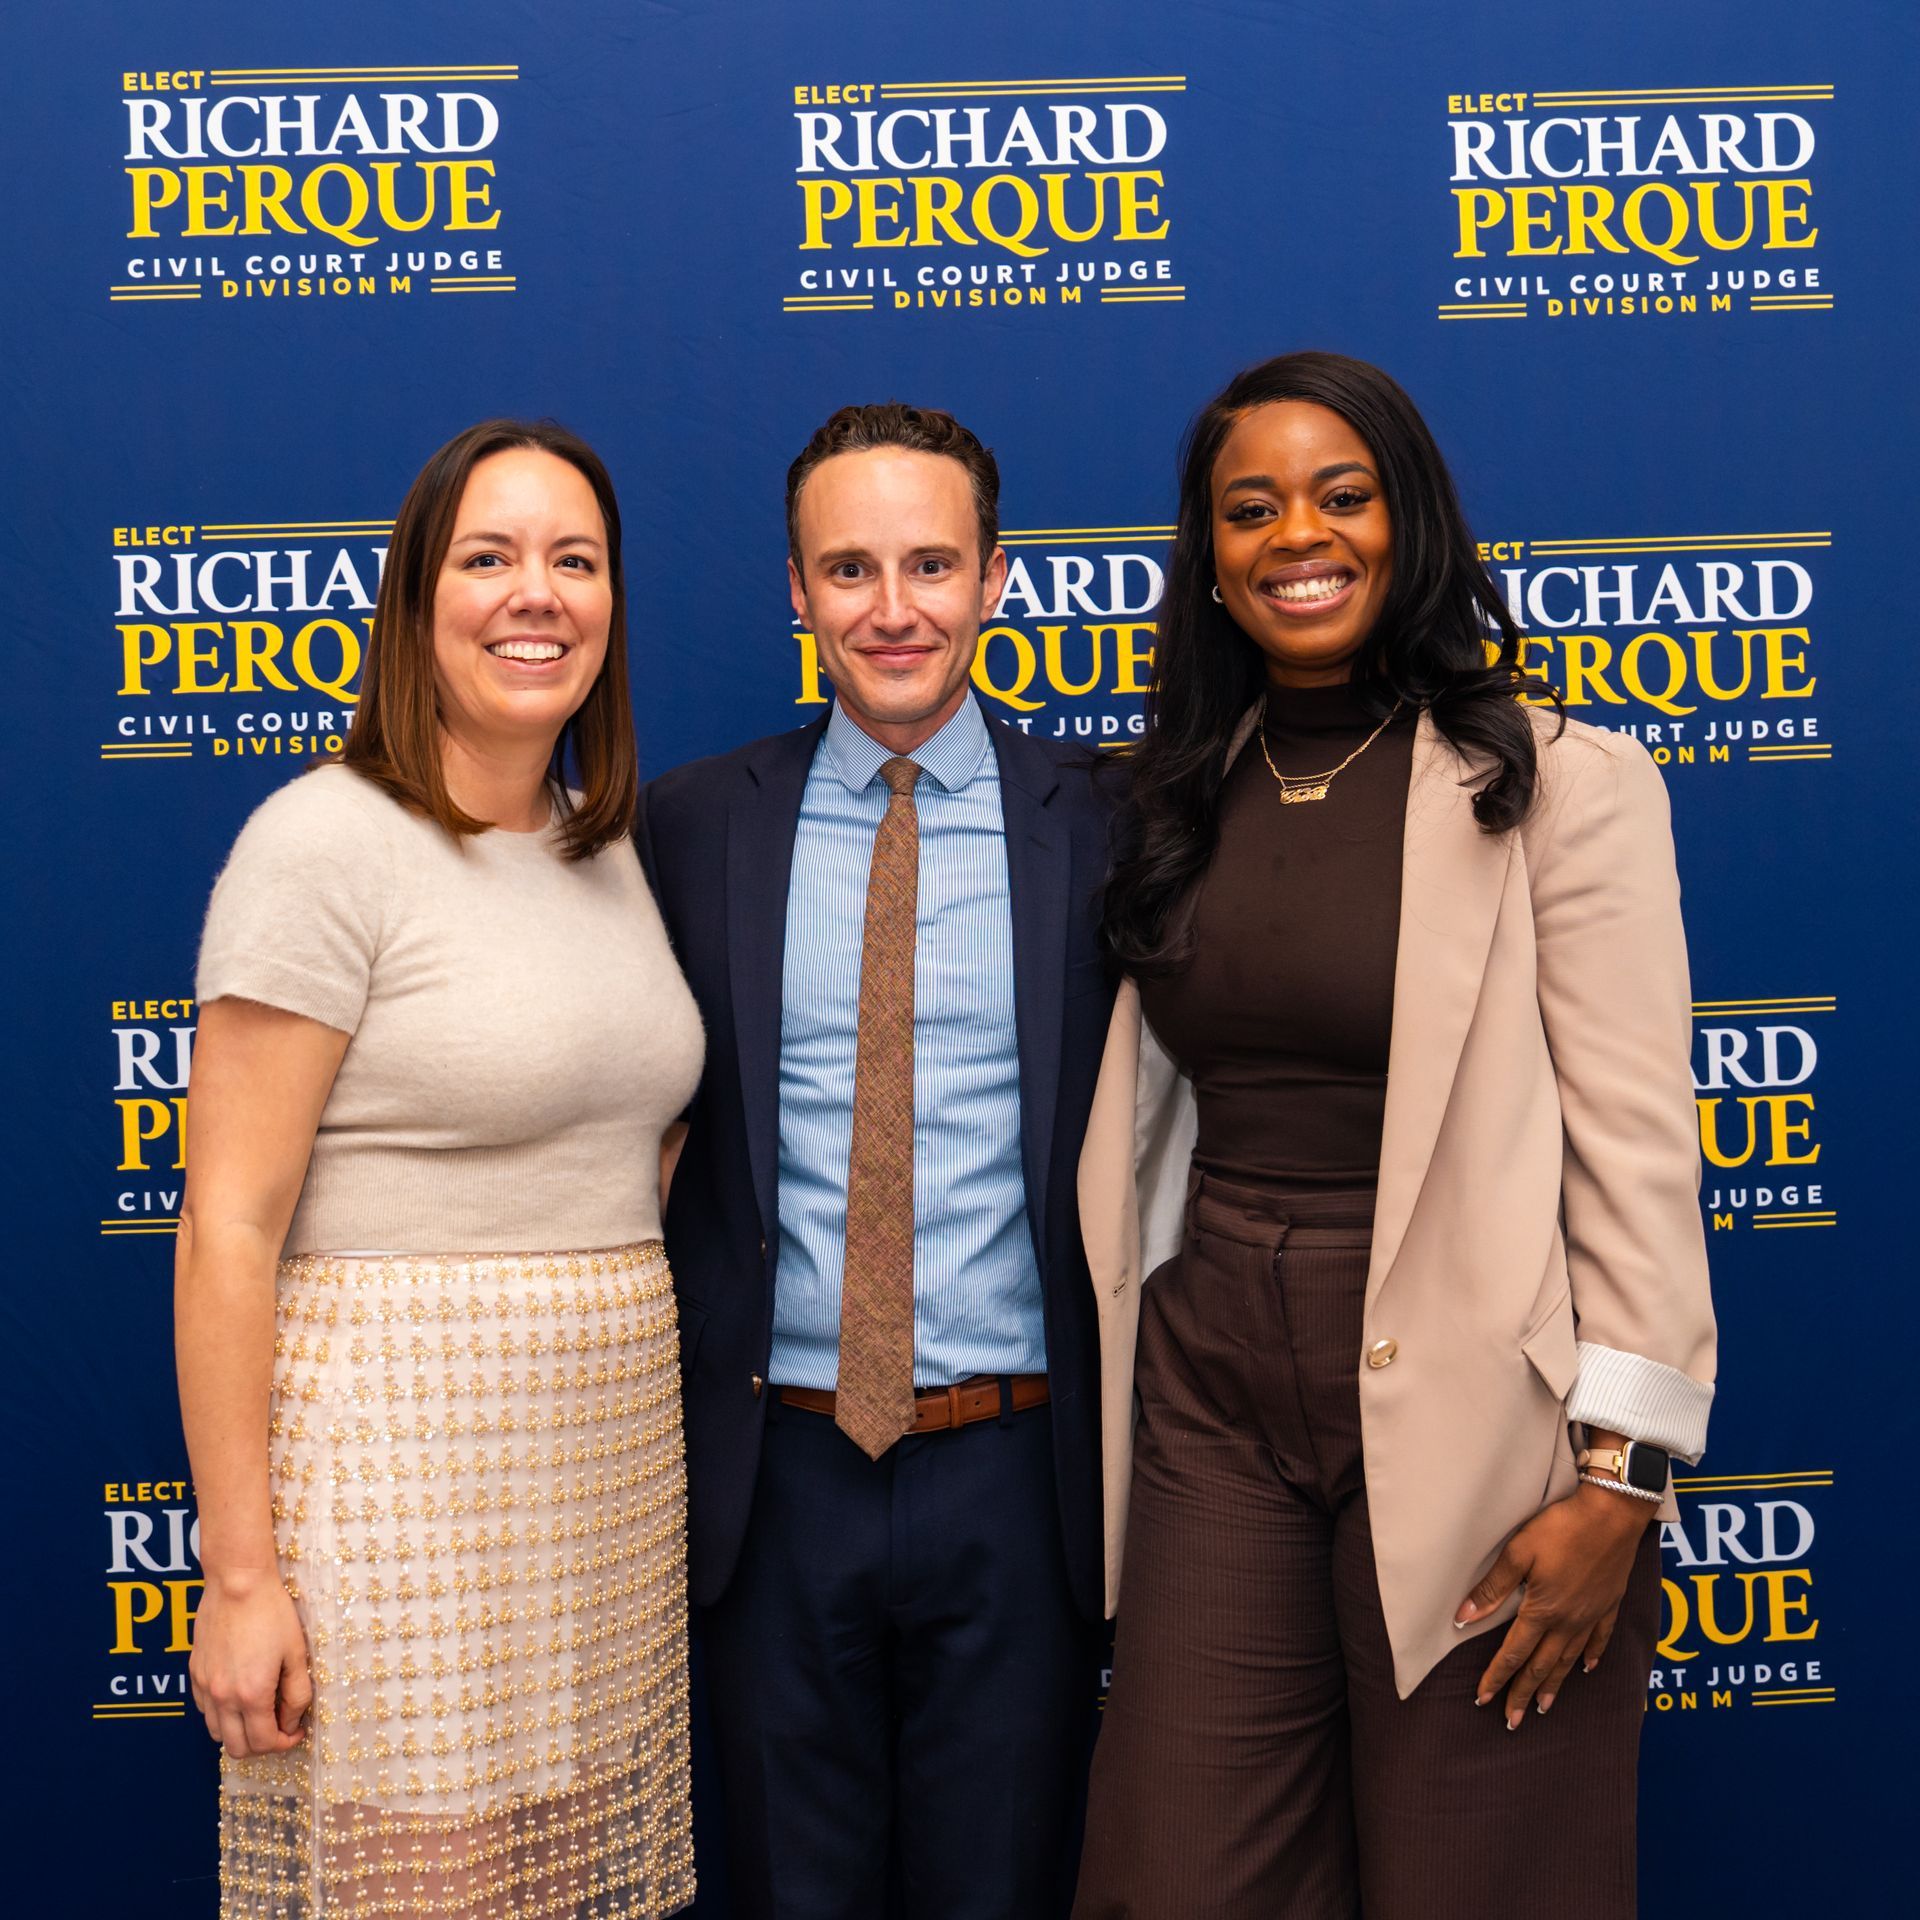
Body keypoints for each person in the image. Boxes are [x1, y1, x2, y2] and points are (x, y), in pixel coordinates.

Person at [1072, 352, 1717, 1919]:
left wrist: (1620, 1484)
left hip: (1478, 1404)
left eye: (1341, 495)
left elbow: (1637, 1154)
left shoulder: (1562, 786)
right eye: (1252, 508)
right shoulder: (1173, 798)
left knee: (1480, 1871)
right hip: (1211, 1380)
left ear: (1407, 521)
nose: (1301, 534)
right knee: (1181, 1874)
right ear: (1211, 561)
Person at [175, 420, 704, 1918]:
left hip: (595, 1497)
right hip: (403, 1493)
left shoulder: (600, 849)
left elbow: (625, 1136)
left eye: (575, 561)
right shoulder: (323, 843)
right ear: (418, 600)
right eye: (490, 558)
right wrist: (242, 1579)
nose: (536, 595)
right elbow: (226, 1225)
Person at [636, 402, 1116, 1918]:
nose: (892, 610)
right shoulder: (689, 826)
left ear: (993, 578)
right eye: (850, 570)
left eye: (930, 564)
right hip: (772, 1481)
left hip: (1020, 1477)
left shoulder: (1112, 822)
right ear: (793, 588)